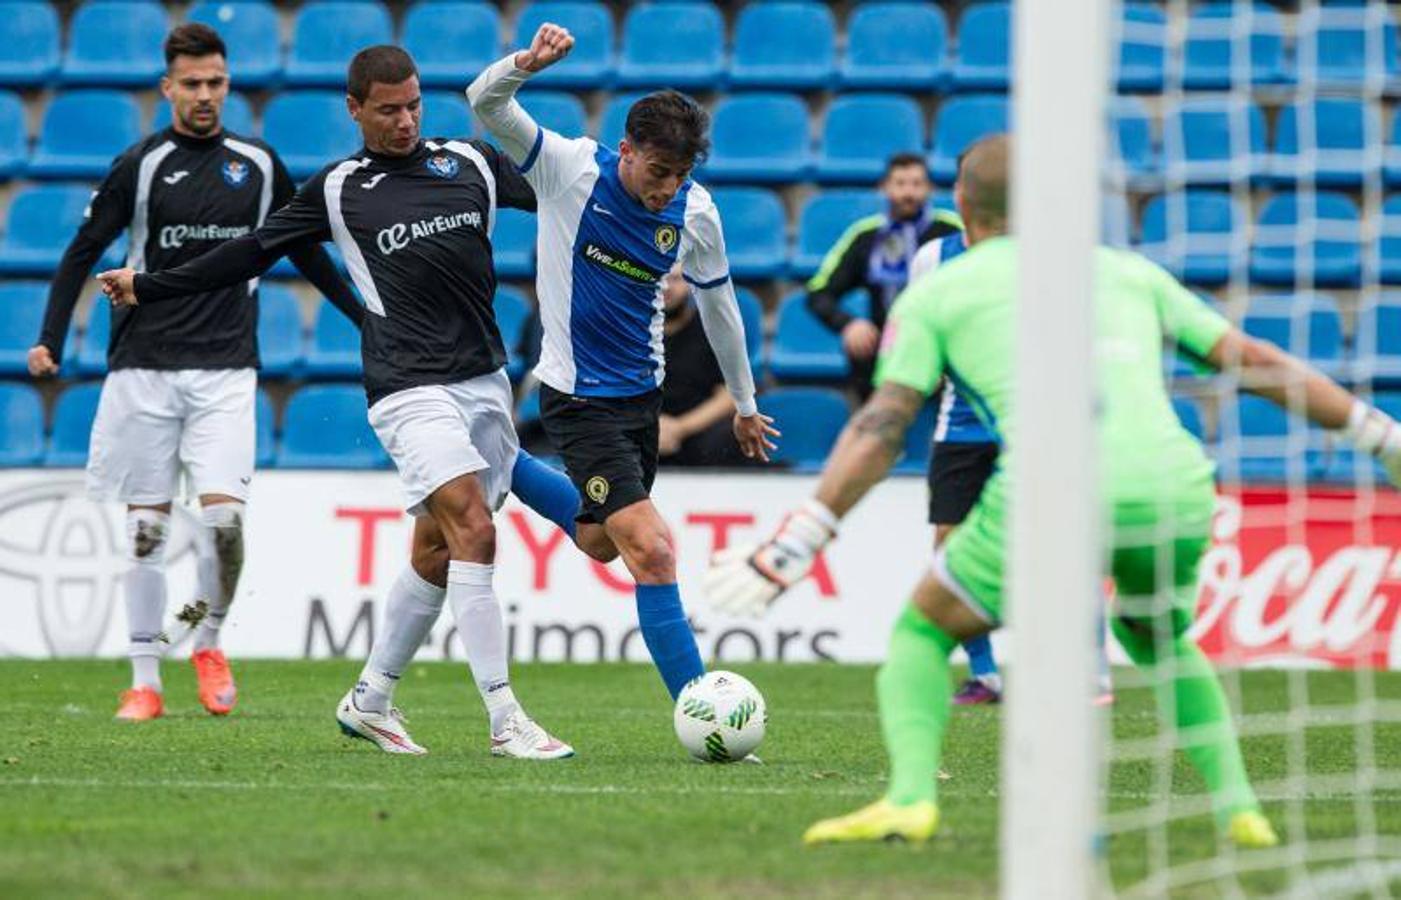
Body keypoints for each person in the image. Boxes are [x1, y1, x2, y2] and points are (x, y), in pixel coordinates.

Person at [702, 133, 1401, 846]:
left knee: (922, 630)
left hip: (1054, 486)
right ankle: (1239, 810)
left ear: (961, 205)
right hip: (1176, 483)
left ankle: (910, 798)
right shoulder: (1126, 271)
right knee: (1158, 637)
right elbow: (1253, 359)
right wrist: (1379, 437)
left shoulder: (937, 289)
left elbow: (881, 428)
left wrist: (798, 541)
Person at [97, 45, 571, 760]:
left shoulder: (470, 162)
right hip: (406, 386)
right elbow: (251, 252)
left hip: (484, 381)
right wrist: (150, 286)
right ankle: (506, 719)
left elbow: (561, 193)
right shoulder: (338, 188)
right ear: (355, 110)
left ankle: (370, 700)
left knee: (436, 550)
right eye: (388, 110)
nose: (405, 121)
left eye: (413, 105)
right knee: (474, 530)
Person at [29, 24, 363, 722]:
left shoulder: (258, 164)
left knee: (224, 524)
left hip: (225, 369)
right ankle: (144, 680)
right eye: (191, 84)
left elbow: (304, 250)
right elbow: (82, 249)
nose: (205, 95)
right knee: (146, 534)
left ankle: (207, 641)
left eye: (215, 82)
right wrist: (49, 337)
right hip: (143, 370)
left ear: (227, 82)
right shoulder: (140, 165)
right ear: (167, 88)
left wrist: (365, 320)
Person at [468, 24, 777, 704]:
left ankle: (502, 460)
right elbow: (484, 102)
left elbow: (721, 309)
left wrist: (745, 404)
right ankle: (702, 709)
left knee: (600, 541)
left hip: (642, 399)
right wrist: (525, 64)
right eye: (658, 171)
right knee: (652, 549)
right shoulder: (568, 169)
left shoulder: (695, 213)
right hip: (577, 398)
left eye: (681, 175)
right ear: (628, 150)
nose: (668, 188)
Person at [805, 153, 961, 402]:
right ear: (884, 187)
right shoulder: (865, 235)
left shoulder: (952, 231)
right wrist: (848, 324)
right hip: (885, 345)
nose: (908, 193)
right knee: (861, 345)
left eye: (917, 184)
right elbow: (818, 292)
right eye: (900, 183)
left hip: (941, 344)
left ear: (930, 188)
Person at [656, 263, 758, 468]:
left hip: (697, 427)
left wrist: (679, 428)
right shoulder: (629, 333)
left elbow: (730, 395)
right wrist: (652, 429)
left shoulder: (712, 329)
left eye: (675, 279)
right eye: (659, 280)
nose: (666, 287)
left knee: (727, 437)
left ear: (690, 283)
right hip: (644, 425)